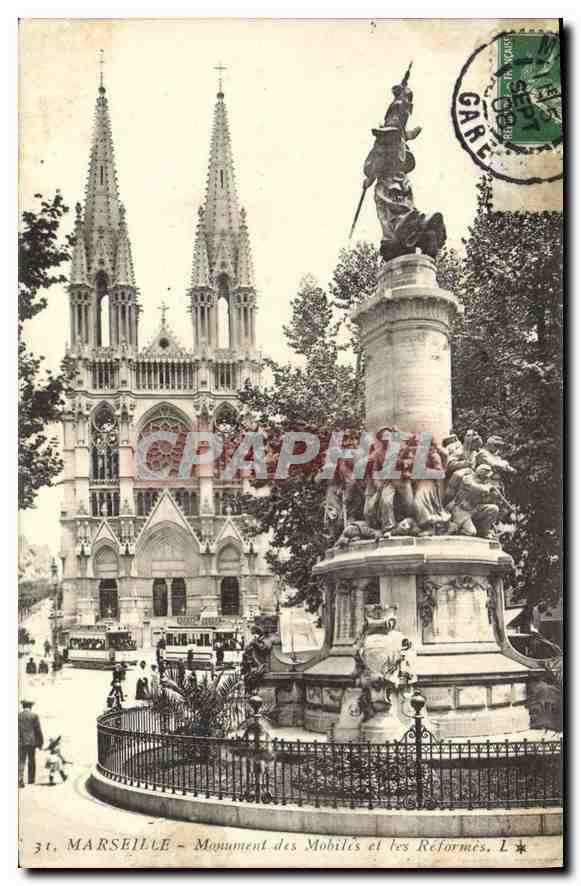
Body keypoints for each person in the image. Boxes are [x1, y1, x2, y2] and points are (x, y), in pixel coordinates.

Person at [18, 700, 44, 787]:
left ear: (23, 706)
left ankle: (20, 778)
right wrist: (40, 742)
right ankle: (31, 780)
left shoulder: (18, 716)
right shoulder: (34, 716)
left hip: (20, 742)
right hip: (31, 742)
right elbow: (38, 730)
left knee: (21, 760)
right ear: (31, 706)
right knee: (31, 760)